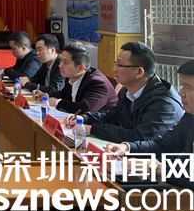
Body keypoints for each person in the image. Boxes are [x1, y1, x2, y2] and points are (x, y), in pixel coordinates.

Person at [63, 42, 183, 143]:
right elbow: (114, 116)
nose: (114, 69)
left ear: (139, 72)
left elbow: (139, 137)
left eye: (120, 65)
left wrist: (92, 129)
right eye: (115, 64)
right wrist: (84, 118)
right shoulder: (127, 90)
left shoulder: (163, 103)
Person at [106, 60, 194, 190]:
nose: (180, 92)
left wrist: (153, 168)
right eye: (182, 85)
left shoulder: (164, 101)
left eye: (187, 87)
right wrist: (127, 147)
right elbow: (163, 144)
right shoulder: (190, 117)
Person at [33, 42, 117, 114]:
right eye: (61, 60)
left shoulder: (98, 83)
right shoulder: (72, 75)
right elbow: (64, 94)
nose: (60, 65)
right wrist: (46, 95)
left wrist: (57, 102)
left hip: (98, 125)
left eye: (65, 62)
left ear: (81, 68)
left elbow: (84, 109)